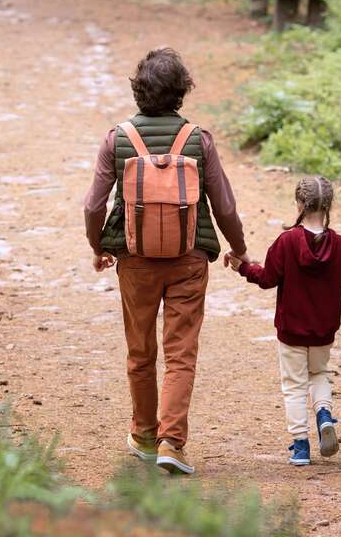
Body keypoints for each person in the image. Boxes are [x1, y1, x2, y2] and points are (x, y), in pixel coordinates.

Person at [83, 48, 249, 476]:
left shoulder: (117, 139)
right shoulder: (198, 140)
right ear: (181, 91)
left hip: (135, 260)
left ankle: (143, 433)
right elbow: (225, 205)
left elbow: (93, 205)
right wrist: (239, 247)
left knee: (140, 351)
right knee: (181, 353)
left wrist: (98, 246)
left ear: (138, 89)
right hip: (189, 258)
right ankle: (171, 442)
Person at [224, 176, 341, 466]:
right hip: (324, 331)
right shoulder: (340, 245)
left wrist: (244, 268)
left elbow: (267, 279)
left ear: (299, 204)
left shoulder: (286, 242)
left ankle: (301, 446)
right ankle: (324, 415)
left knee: (294, 385)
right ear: (329, 206)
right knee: (319, 374)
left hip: (291, 330)